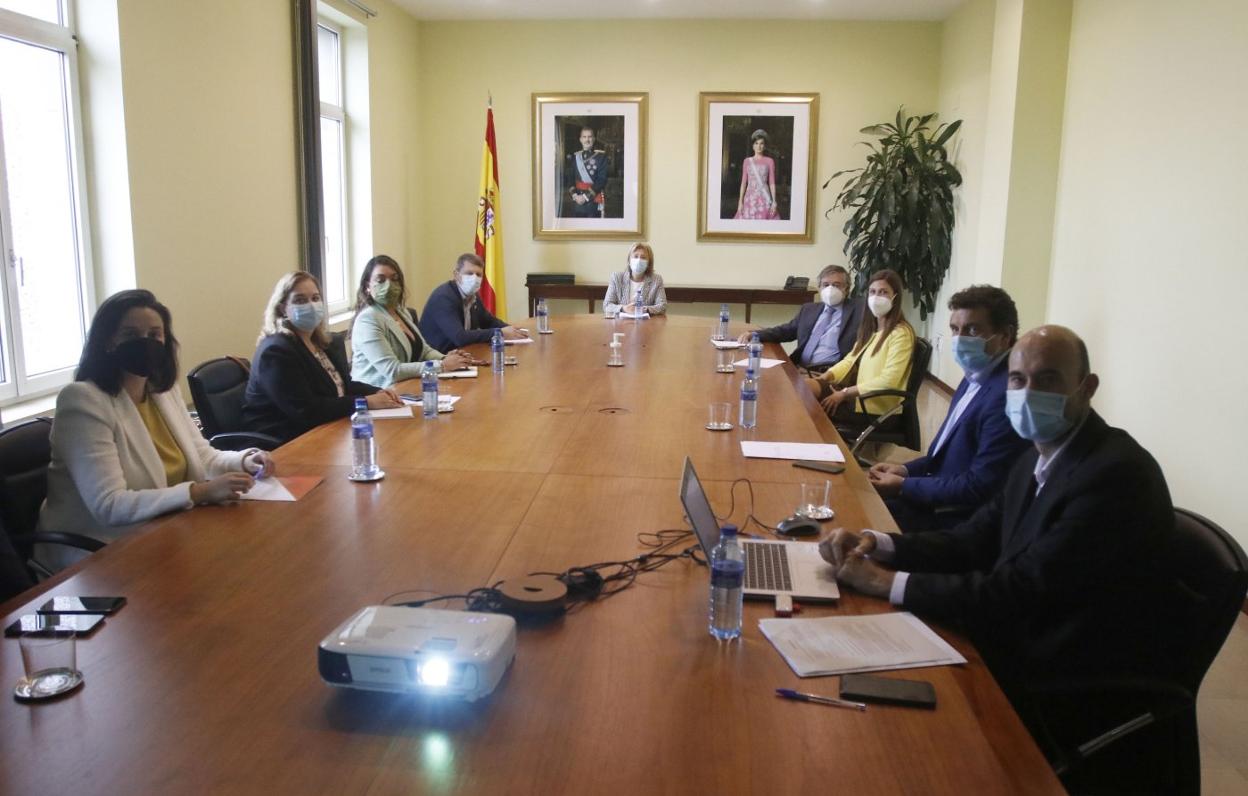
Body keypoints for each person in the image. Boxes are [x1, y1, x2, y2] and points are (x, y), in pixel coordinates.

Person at [820, 326, 1181, 735]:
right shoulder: (1036, 457)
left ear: (1087, 387)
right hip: (1020, 633)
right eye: (1017, 379)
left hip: (1061, 671)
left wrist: (886, 584)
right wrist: (881, 544)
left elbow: (1019, 592)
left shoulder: (1114, 475)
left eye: (1047, 379)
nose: (1029, 392)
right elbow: (971, 539)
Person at [36, 289, 272, 571]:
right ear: (108, 341)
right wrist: (199, 492)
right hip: (100, 555)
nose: (144, 343)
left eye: (154, 335)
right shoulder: (83, 401)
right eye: (130, 334)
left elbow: (202, 456)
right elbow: (110, 504)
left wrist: (244, 460)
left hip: (168, 533)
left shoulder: (163, 390)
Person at [868, 286, 1029, 531]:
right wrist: (904, 470)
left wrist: (902, 486)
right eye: (955, 329)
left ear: (1005, 336)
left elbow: (979, 485)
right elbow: (944, 459)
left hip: (957, 519)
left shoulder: (1006, 395)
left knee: (857, 522)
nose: (960, 338)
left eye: (972, 330)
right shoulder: (973, 377)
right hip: (938, 496)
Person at [243, 272, 401, 444]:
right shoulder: (275, 351)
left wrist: (377, 391)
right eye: (300, 300)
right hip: (285, 442)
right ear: (282, 308)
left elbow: (344, 386)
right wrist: (366, 402)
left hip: (325, 429)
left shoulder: (323, 342)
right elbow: (306, 410)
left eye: (315, 298)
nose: (311, 305)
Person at [805, 269, 914, 421]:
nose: (876, 297)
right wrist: (826, 376)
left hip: (872, 408)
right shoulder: (872, 331)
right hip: (856, 398)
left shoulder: (901, 333)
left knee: (805, 398)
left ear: (895, 297)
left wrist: (844, 393)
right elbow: (849, 360)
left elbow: (889, 380)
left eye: (883, 292)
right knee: (804, 387)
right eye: (872, 292)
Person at [350, 255, 474, 389]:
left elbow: (424, 350)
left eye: (394, 279)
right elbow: (393, 371)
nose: (389, 285)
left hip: (407, 387)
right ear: (367, 286)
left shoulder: (401, 311)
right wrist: (443, 365)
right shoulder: (367, 320)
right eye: (381, 280)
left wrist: (447, 359)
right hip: (378, 395)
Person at [738, 265, 863, 371]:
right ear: (819, 288)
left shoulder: (860, 311)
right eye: (826, 285)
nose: (830, 289)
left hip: (829, 373)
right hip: (798, 368)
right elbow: (786, 331)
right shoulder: (809, 309)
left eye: (837, 285)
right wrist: (755, 334)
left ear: (846, 289)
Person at [419, 253, 528, 352]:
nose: (474, 278)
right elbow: (459, 337)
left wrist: (514, 331)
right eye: (469, 273)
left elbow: (488, 321)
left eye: (478, 274)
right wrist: (500, 332)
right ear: (456, 275)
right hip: (438, 360)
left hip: (462, 354)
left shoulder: (473, 296)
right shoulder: (444, 298)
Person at [602, 242, 667, 316]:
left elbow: (663, 306)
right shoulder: (617, 277)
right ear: (629, 260)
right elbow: (607, 306)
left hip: (646, 325)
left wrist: (645, 309)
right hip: (621, 325)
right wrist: (623, 308)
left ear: (649, 262)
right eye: (635, 256)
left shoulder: (656, 280)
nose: (639, 260)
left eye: (643, 257)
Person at [733, 129, 780, 220]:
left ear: (765, 146)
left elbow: (772, 183)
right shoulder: (747, 161)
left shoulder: (770, 161)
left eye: (761, 143)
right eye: (756, 143)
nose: (759, 146)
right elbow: (743, 183)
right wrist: (740, 202)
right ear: (752, 146)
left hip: (765, 198)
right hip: (749, 199)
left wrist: (774, 201)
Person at [563, 125, 608, 218]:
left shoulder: (601, 157)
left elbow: (601, 180)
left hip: (593, 201)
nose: (587, 140)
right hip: (577, 201)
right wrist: (575, 195)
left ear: (594, 139)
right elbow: (570, 178)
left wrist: (585, 197)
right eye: (584, 137)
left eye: (590, 137)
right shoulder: (575, 157)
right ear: (580, 139)